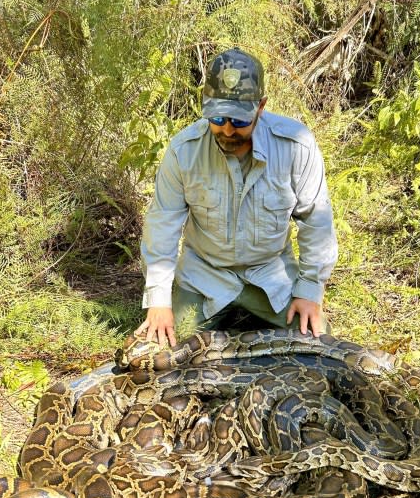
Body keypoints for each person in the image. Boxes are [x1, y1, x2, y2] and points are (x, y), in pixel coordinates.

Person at [136, 47, 337, 348]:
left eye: (240, 120)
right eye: (217, 117)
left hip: (270, 275)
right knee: (166, 349)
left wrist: (309, 291)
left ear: (261, 106)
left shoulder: (297, 146)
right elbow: (163, 226)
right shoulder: (183, 152)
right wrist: (159, 301)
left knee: (316, 344)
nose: (228, 129)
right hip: (205, 274)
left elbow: (315, 221)